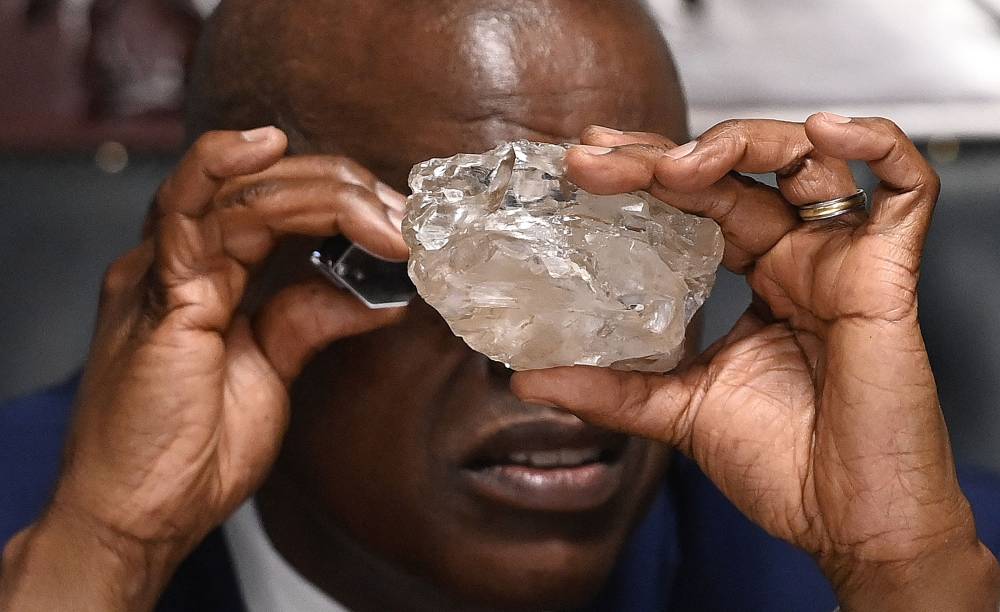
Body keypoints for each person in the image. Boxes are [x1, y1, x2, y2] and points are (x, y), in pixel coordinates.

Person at [2, 0, 999, 610]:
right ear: (236, 275)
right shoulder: (44, 525)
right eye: (425, 256)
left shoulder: (936, 547)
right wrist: (105, 559)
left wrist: (898, 572)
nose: (539, 359)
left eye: (622, 242)